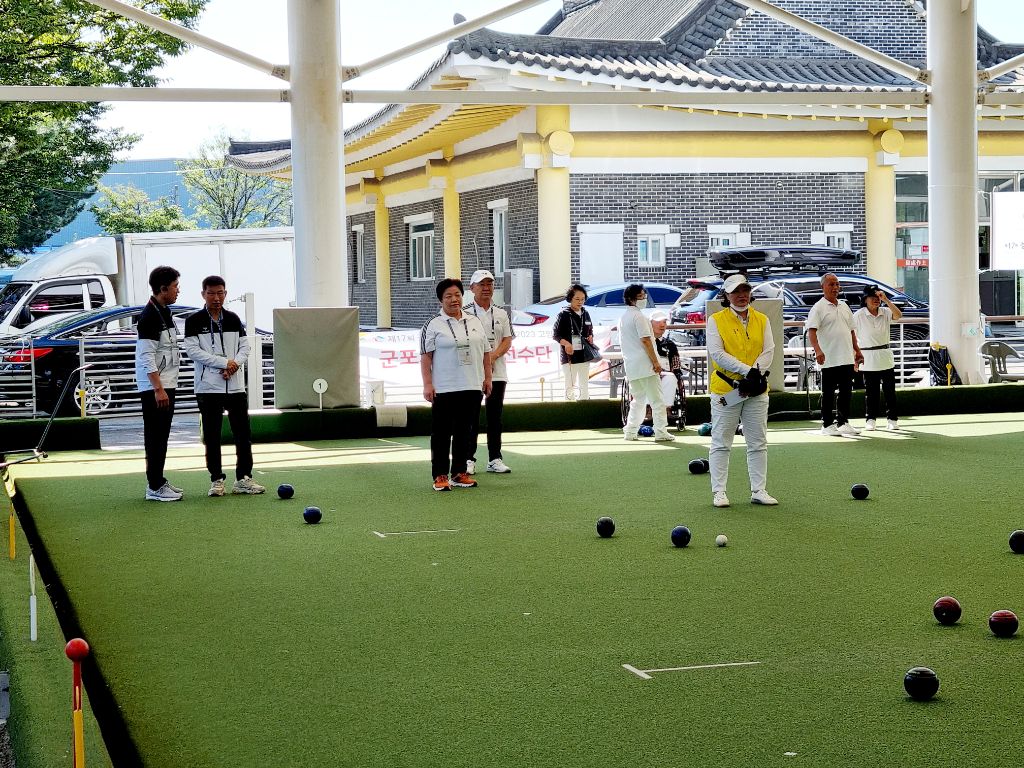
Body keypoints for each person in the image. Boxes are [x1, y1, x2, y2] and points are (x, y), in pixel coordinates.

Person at [183, 276, 266, 497]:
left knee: (243, 434)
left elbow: (245, 346)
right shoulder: (193, 321)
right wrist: (223, 363)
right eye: (211, 293)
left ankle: (243, 479)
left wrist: (234, 364)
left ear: (225, 294)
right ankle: (216, 480)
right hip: (208, 388)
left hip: (235, 387)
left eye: (220, 293)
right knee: (212, 436)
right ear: (203, 294)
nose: (216, 297)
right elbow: (193, 351)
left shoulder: (233, 318)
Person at [707, 274, 776, 507]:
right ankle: (719, 492)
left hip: (756, 390)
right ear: (726, 295)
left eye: (745, 290)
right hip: (726, 389)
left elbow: (769, 350)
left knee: (758, 442)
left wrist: (755, 375)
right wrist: (749, 371)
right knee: (721, 442)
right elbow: (717, 354)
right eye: (735, 291)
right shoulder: (716, 320)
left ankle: (759, 490)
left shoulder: (762, 319)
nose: (741, 295)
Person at [420, 278, 492, 492]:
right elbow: (425, 357)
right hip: (444, 388)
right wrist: (427, 384)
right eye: (448, 296)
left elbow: (486, 353)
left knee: (465, 432)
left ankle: (459, 473)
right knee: (441, 433)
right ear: (440, 300)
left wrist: (488, 378)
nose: (454, 300)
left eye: (457, 295)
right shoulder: (433, 324)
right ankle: (440, 475)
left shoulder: (474, 321)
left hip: (472, 385)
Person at [135, 265, 183, 502]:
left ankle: (159, 480)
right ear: (163, 289)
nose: (178, 291)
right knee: (155, 436)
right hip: (156, 387)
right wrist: (158, 389)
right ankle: (154, 485)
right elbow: (146, 356)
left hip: (166, 383)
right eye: (175, 287)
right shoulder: (149, 316)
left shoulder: (164, 311)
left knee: (162, 436)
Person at [464, 269, 514, 474]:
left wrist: (492, 357)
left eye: (489, 284)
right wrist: (483, 360)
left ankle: (495, 458)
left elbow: (507, 340)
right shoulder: (464, 313)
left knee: (495, 417)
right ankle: (468, 459)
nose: (486, 288)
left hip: (498, 372)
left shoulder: (501, 313)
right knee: (471, 417)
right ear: (472, 288)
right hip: (472, 373)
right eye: (481, 284)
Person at [805, 273, 864, 437]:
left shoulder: (844, 306)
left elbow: (851, 331)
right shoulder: (818, 307)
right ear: (822, 287)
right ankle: (827, 425)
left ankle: (843, 422)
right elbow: (811, 331)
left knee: (846, 391)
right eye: (831, 284)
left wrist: (857, 350)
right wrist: (818, 350)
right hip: (828, 357)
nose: (835, 287)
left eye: (837, 284)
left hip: (846, 356)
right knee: (828, 393)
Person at [620, 284, 674, 442]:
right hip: (646, 364)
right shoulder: (640, 317)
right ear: (631, 299)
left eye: (644, 296)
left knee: (638, 400)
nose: (644, 299)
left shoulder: (624, 317)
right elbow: (646, 340)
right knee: (657, 400)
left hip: (632, 365)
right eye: (641, 296)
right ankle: (661, 431)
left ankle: (630, 431)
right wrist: (656, 362)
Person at [853, 285, 902, 431]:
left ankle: (892, 419)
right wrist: (855, 356)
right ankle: (870, 419)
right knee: (871, 392)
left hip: (885, 356)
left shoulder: (885, 311)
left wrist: (886, 300)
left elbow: (898, 315)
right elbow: (852, 336)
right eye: (872, 297)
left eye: (877, 297)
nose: (876, 300)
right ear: (865, 299)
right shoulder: (858, 315)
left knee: (890, 391)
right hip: (868, 358)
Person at [552, 284, 595, 400]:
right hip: (569, 356)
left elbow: (590, 330)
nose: (580, 302)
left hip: (584, 355)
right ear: (570, 298)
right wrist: (566, 344)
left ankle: (584, 404)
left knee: (584, 384)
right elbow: (555, 335)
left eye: (583, 299)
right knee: (570, 385)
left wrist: (591, 337)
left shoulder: (586, 313)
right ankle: (569, 406)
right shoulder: (563, 314)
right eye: (577, 299)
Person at [650, 310, 686, 424]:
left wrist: (676, 371)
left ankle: (666, 409)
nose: (662, 325)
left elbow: (675, 361)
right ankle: (648, 409)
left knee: (671, 377)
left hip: (665, 374)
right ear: (650, 324)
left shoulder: (670, 344)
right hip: (648, 372)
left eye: (664, 322)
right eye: (658, 322)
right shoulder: (645, 341)